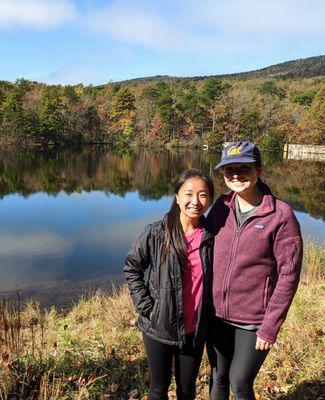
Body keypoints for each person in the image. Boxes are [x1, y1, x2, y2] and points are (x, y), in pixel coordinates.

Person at [207, 141, 303, 400]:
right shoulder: (221, 207)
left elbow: (289, 276)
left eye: (244, 168)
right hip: (216, 316)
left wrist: (270, 326)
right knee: (218, 376)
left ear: (259, 169)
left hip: (253, 320)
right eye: (229, 170)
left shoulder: (280, 215)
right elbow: (198, 242)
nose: (236, 175)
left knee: (239, 382)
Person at [124, 169, 214, 400]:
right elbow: (132, 266)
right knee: (158, 389)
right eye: (189, 194)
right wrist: (147, 308)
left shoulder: (212, 237)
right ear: (176, 196)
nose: (195, 201)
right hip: (159, 327)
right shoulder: (156, 233)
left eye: (203, 195)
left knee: (187, 390)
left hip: (194, 331)